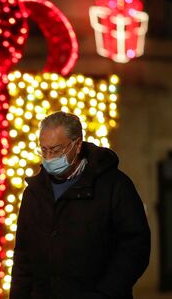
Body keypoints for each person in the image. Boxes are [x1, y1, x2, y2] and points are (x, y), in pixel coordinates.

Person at [10, 111, 150, 299]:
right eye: (44, 150)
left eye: (56, 149)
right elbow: (23, 257)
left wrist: (105, 293)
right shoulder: (34, 193)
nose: (49, 157)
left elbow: (135, 247)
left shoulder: (114, 186)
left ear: (76, 145)